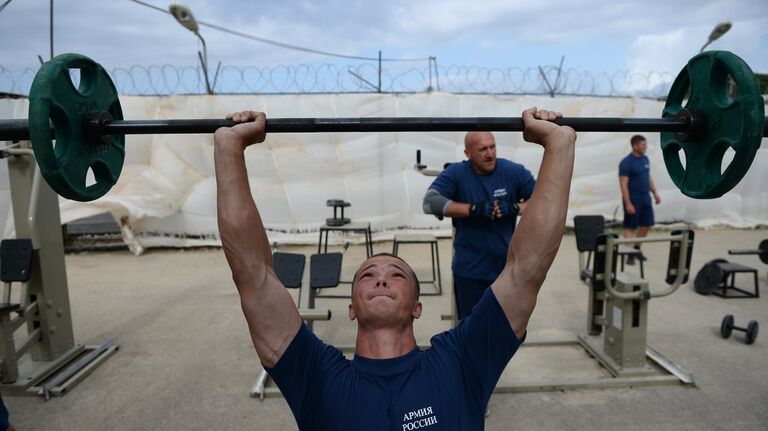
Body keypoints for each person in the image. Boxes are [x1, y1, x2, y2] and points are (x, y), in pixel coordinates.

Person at [214, 107, 575, 430]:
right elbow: (254, 275)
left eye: (397, 274)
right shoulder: (315, 375)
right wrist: (229, 149)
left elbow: (526, 267)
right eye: (367, 275)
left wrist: (559, 145)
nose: (382, 276)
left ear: (418, 307)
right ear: (351, 307)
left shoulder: (462, 362)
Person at [422, 131, 535, 319]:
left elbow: (543, 200)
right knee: (470, 329)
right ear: (468, 153)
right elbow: (429, 202)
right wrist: (473, 209)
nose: (490, 154)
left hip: (505, 269)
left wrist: (516, 207)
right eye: (482, 149)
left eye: (492, 147)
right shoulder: (456, 173)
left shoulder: (513, 171)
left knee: (503, 329)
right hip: (470, 270)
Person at [618, 134, 661, 265]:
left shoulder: (645, 159)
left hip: (645, 198)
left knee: (646, 225)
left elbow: (648, 177)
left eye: (645, 144)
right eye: (643, 145)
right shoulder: (626, 163)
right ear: (635, 146)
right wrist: (628, 203)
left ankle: (636, 248)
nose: (645, 147)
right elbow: (623, 184)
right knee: (630, 227)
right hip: (633, 199)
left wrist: (654, 193)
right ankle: (629, 253)